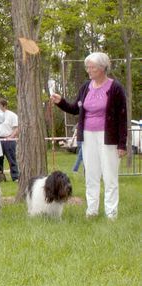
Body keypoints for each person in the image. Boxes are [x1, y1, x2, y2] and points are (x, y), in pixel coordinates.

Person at [51, 52, 127, 220]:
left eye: (91, 67)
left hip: (109, 138)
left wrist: (122, 144)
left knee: (109, 176)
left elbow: (122, 117)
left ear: (102, 68)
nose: (88, 70)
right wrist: (61, 102)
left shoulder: (115, 88)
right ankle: (91, 211)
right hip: (87, 136)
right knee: (91, 175)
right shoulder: (86, 87)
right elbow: (75, 108)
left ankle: (111, 213)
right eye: (88, 67)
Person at [0, 98, 19, 182]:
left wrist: (11, 137)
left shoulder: (12, 115)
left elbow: (17, 128)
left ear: (4, 106)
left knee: (12, 159)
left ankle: (15, 177)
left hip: (9, 140)